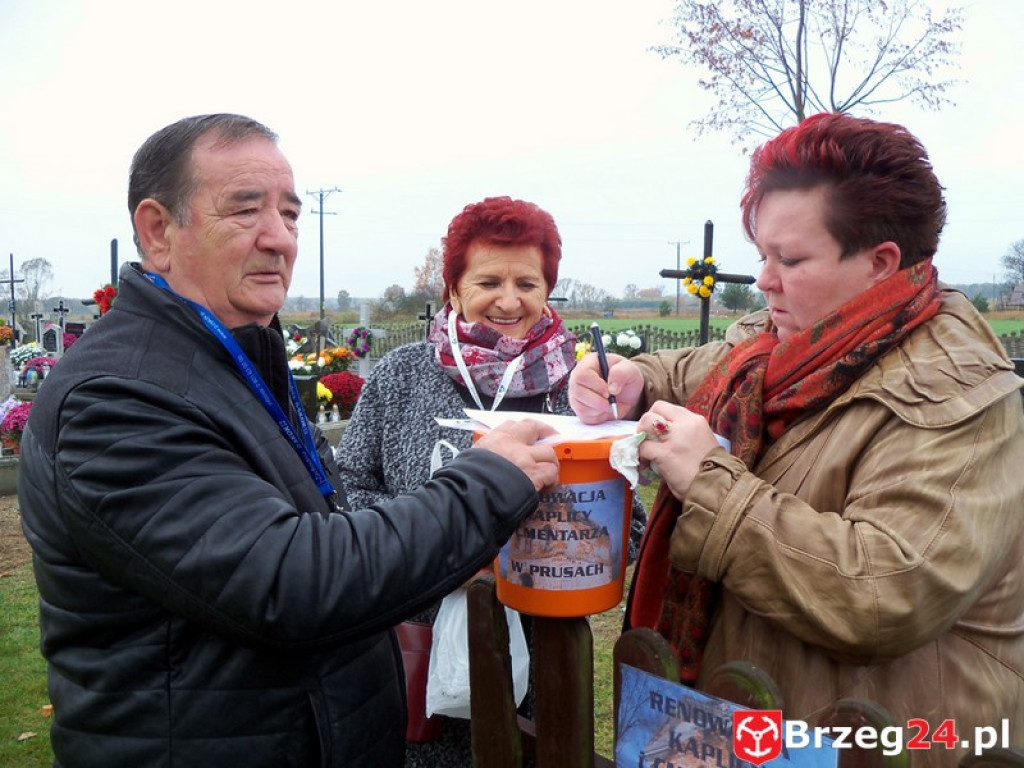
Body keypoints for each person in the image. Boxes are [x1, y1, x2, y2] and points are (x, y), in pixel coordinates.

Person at [17, 114, 560, 768]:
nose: (279, 239)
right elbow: (288, 581)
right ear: (158, 231)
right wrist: (488, 484)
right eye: (245, 210)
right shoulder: (116, 399)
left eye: (291, 214)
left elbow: (322, 521)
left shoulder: (227, 366)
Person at [569, 113, 1024, 764]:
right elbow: (692, 371)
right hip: (753, 722)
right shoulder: (782, 344)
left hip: (882, 738)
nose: (764, 279)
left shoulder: (958, 398)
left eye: (791, 259)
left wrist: (712, 488)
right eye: (762, 256)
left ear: (880, 263)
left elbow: (885, 592)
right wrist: (633, 379)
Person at [337, 195, 646, 767]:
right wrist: (432, 545)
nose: (509, 300)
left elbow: (631, 525)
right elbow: (348, 488)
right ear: (453, 288)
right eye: (488, 281)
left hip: (543, 651)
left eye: (527, 282)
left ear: (548, 290)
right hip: (411, 637)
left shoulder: (578, 390)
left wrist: (517, 554)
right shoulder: (401, 376)